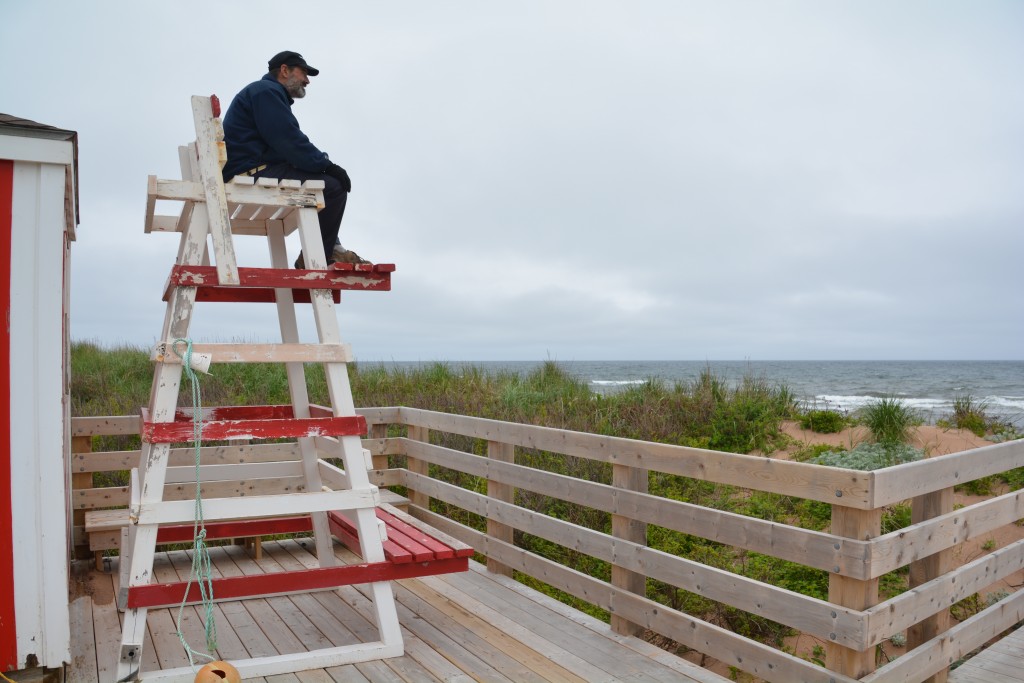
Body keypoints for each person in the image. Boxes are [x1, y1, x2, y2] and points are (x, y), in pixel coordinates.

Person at [222, 50, 367, 267]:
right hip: (252, 171)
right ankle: (317, 258)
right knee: (333, 187)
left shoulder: (264, 93)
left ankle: (331, 248)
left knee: (321, 181)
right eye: (304, 73)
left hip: (251, 168)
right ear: (284, 70)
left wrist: (319, 165)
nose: (307, 80)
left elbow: (285, 145)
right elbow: (288, 141)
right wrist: (327, 166)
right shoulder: (266, 92)